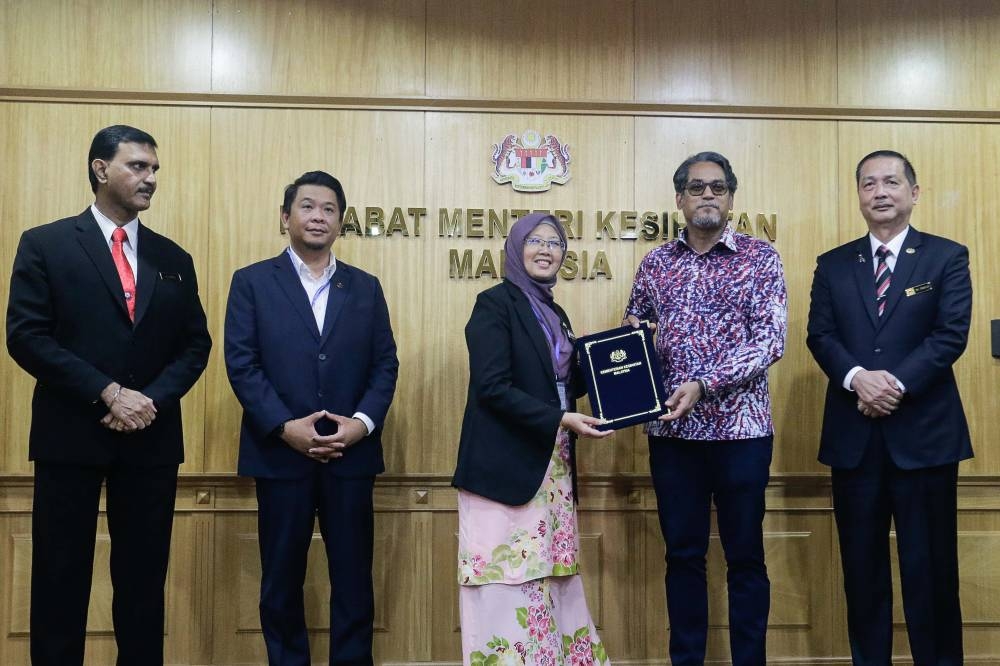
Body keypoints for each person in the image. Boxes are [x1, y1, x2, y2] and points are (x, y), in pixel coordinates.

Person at [5, 125, 212, 665]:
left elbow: (196, 345)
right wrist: (108, 392)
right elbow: (26, 336)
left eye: (154, 169)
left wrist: (148, 401)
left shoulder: (174, 258)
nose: (151, 178)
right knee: (59, 579)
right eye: (138, 166)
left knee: (143, 584)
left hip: (151, 439)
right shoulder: (46, 244)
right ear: (100, 169)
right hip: (70, 436)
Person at [224, 170, 398, 666]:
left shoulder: (365, 287)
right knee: (280, 581)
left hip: (350, 457)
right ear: (285, 218)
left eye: (328, 209)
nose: (318, 216)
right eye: (307, 206)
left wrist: (361, 424)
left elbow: (385, 364)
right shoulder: (252, 282)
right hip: (279, 457)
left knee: (354, 581)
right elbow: (242, 363)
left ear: (340, 221)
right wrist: (285, 427)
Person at [806, 150, 971, 665]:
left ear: (913, 193)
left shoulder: (946, 257)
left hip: (925, 440)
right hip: (855, 441)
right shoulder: (833, 264)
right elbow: (820, 336)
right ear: (859, 195)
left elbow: (950, 334)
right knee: (862, 573)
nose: (880, 191)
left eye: (892, 182)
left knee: (932, 572)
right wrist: (858, 379)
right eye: (869, 183)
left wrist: (893, 385)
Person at [623, 151, 787, 665]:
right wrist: (627, 352)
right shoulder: (656, 263)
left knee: (746, 559)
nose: (708, 195)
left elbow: (770, 341)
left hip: (743, 434)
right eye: (697, 187)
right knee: (682, 558)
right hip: (673, 438)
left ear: (731, 198)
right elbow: (635, 327)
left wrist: (703, 383)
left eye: (718, 187)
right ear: (680, 199)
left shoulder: (760, 258)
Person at [452, 212, 612, 665]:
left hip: (553, 461)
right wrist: (561, 418)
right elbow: (492, 387)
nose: (546, 250)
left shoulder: (555, 313)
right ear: (516, 248)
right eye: (535, 241)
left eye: (555, 243)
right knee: (505, 579)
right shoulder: (493, 304)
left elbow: (564, 384)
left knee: (553, 575)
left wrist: (612, 358)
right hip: (504, 467)